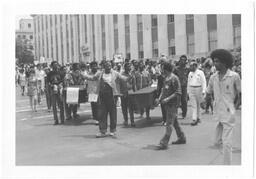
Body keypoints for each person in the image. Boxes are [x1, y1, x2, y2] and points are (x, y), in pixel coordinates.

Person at [207, 49, 241, 165]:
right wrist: (205, 100)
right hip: (217, 112)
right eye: (214, 61)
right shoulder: (213, 77)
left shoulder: (234, 76)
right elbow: (208, 91)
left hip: (229, 112)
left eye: (217, 61)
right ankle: (226, 157)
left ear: (225, 63)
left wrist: (234, 108)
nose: (214, 63)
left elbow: (240, 93)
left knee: (227, 143)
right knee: (216, 142)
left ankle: (227, 168)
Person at [93, 60, 130, 138]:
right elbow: (93, 78)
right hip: (102, 96)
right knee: (102, 114)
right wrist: (83, 75)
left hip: (112, 96)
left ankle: (113, 130)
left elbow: (123, 78)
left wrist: (129, 77)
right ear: (104, 66)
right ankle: (103, 131)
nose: (108, 66)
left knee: (113, 113)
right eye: (106, 65)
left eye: (110, 65)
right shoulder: (100, 73)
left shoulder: (115, 73)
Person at [155, 62, 186, 150]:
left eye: (163, 68)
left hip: (173, 104)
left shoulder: (174, 78)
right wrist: (159, 98)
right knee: (174, 122)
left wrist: (167, 99)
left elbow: (178, 92)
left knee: (169, 123)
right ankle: (182, 137)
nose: (162, 70)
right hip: (167, 104)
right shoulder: (166, 78)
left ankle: (164, 142)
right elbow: (163, 90)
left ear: (166, 69)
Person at [187, 59, 207, 126]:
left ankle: (198, 117)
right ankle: (194, 119)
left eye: (191, 66)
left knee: (198, 104)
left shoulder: (200, 72)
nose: (190, 67)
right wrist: (188, 91)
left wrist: (204, 90)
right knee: (193, 105)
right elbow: (188, 82)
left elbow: (204, 81)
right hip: (191, 88)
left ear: (195, 66)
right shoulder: (190, 73)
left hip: (199, 88)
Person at [47, 61, 65, 125]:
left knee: (61, 104)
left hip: (59, 89)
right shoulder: (49, 74)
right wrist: (51, 85)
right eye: (54, 65)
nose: (55, 66)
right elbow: (48, 82)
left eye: (56, 65)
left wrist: (60, 85)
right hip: (53, 90)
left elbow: (63, 81)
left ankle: (62, 119)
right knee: (54, 105)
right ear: (52, 66)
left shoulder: (61, 73)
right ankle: (56, 120)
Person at [120, 62, 136, 127]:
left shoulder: (132, 74)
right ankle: (126, 120)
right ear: (125, 67)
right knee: (124, 108)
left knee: (131, 108)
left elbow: (134, 84)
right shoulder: (122, 74)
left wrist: (135, 92)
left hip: (130, 92)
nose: (129, 68)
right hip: (123, 92)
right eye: (127, 66)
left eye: (130, 66)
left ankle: (132, 121)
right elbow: (122, 82)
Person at [173, 55, 190, 119]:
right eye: (181, 60)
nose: (183, 61)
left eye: (184, 60)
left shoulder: (188, 69)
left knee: (184, 101)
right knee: (176, 101)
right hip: (177, 87)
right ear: (179, 61)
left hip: (184, 87)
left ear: (186, 61)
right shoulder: (176, 69)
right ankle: (175, 113)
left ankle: (184, 113)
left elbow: (190, 77)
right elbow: (173, 77)